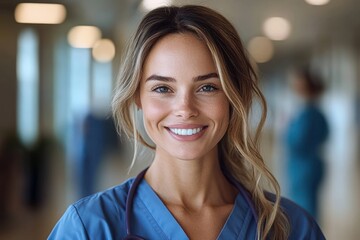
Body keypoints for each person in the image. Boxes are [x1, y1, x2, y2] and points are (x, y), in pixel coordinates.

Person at [48, 5, 326, 240]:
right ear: (137, 97)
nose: (185, 109)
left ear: (234, 96)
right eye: (162, 89)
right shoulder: (89, 228)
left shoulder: (292, 229)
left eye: (207, 87)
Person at [285, 67, 329, 220]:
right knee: (310, 205)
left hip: (303, 168)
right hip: (314, 164)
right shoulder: (318, 112)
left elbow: (296, 141)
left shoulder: (305, 114)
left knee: (304, 209)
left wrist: (288, 126)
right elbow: (325, 135)